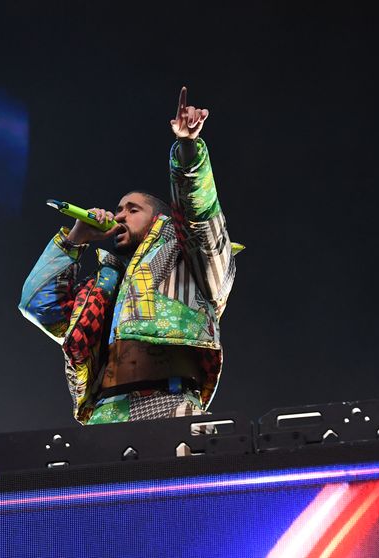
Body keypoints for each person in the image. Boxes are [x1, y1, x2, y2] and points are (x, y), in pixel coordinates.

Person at [19, 86, 235, 425]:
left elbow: (200, 213)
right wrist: (77, 238)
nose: (119, 216)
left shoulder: (193, 261)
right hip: (104, 414)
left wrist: (188, 148)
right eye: (118, 209)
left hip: (169, 404)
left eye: (132, 209)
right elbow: (38, 306)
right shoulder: (103, 289)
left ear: (159, 219)